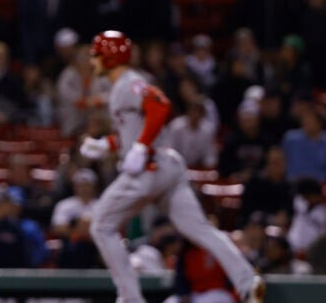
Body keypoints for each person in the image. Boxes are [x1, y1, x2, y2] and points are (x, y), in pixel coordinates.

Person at [79, 31, 264, 303]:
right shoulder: (122, 85)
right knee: (199, 229)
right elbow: (133, 131)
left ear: (109, 56)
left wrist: (140, 148)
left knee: (101, 226)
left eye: (96, 54)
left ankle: (130, 298)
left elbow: (160, 106)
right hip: (167, 167)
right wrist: (105, 145)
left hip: (148, 169)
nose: (92, 60)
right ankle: (248, 282)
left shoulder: (129, 82)